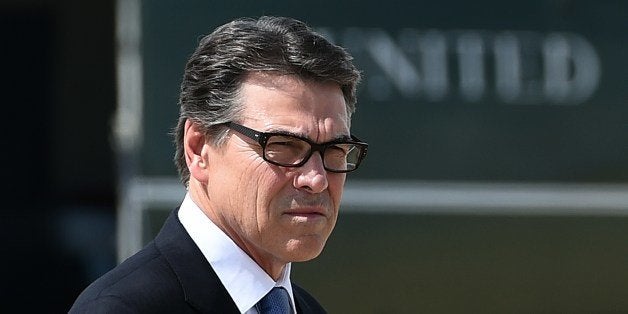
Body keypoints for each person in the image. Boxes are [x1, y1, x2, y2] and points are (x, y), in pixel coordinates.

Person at [69, 15, 367, 314]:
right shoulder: (120, 309)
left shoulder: (306, 309)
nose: (316, 179)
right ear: (198, 148)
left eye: (334, 150)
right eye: (283, 146)